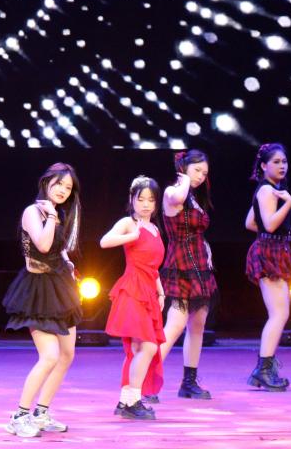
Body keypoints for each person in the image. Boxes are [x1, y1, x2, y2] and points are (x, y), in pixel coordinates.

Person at [2, 163, 83, 437]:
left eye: (68, 187)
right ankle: (19, 416)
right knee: (49, 356)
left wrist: (68, 261)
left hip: (60, 287)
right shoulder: (34, 211)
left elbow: (57, 249)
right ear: (46, 182)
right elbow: (43, 245)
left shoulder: (56, 213)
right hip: (38, 290)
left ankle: (41, 413)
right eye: (58, 183)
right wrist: (50, 216)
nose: (62, 190)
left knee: (67, 354)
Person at [100, 176, 166, 420]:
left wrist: (160, 291)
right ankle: (133, 401)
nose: (146, 204)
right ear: (132, 199)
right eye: (141, 199)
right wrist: (131, 236)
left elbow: (153, 267)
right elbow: (105, 241)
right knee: (147, 346)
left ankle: (126, 401)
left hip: (149, 291)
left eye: (151, 200)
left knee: (139, 348)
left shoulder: (155, 229)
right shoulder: (129, 223)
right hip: (132, 290)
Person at [158, 150, 217, 400]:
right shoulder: (173, 192)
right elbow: (178, 197)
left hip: (200, 266)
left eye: (205, 173)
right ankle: (144, 381)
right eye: (197, 170)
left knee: (198, 325)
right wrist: (183, 178)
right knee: (175, 325)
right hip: (180, 265)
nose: (201, 176)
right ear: (183, 168)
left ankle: (189, 382)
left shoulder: (193, 198)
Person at [244, 143, 291, 392]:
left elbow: (250, 222)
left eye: (284, 161)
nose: (282, 166)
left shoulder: (270, 189)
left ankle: (264, 369)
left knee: (280, 313)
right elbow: (267, 224)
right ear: (264, 165)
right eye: (276, 162)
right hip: (270, 252)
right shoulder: (268, 190)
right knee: (279, 314)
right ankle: (263, 369)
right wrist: (288, 204)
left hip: (274, 249)